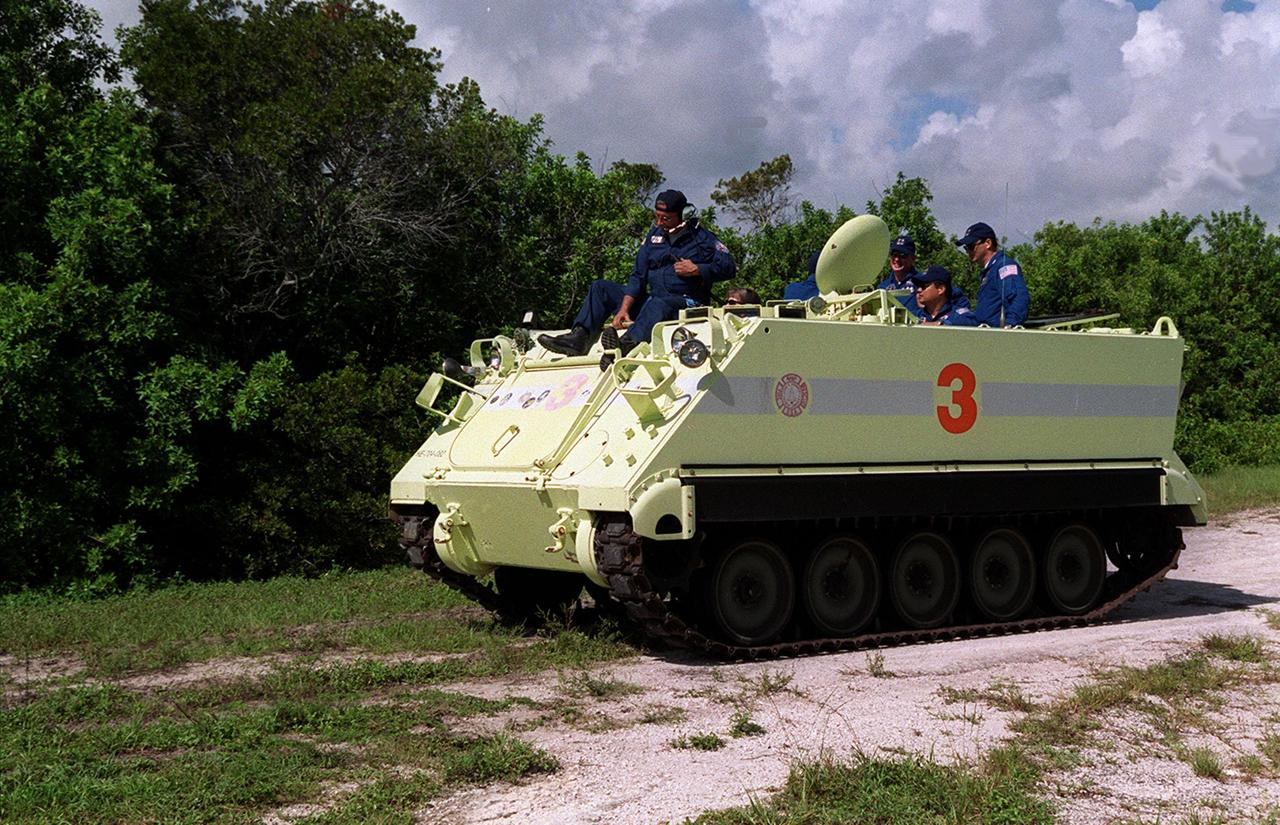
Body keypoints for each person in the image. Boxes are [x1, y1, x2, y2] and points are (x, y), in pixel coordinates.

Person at [538, 190, 735, 360]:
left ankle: (625, 345)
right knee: (601, 288)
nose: (659, 222)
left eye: (666, 218)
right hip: (654, 301)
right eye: (657, 216)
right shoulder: (654, 236)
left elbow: (729, 267)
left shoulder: (703, 239)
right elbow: (638, 275)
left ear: (683, 215)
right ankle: (579, 338)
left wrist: (698, 269)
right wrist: (624, 309)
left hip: (686, 303)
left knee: (660, 303)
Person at [954, 222, 1029, 327]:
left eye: (971, 246)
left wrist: (1010, 326)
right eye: (966, 248)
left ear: (988, 243)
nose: (968, 252)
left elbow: (1018, 297)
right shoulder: (989, 271)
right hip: (986, 332)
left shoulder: (1004, 266)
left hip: (997, 334)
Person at [878, 232, 969, 312]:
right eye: (894, 255)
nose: (897, 259)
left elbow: (960, 302)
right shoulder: (883, 286)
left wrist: (944, 321)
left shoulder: (923, 282)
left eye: (903, 256)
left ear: (913, 259)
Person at [911, 265, 978, 326]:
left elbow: (975, 323)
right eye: (918, 286)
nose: (919, 290)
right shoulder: (914, 316)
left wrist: (941, 324)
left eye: (924, 286)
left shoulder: (958, 315)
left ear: (940, 289)